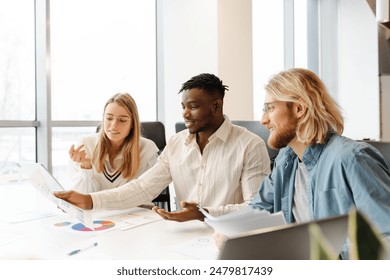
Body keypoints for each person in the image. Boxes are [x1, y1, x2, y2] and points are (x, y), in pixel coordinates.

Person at [55, 73, 271, 222]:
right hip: (184, 237)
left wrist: (204, 213)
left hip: (229, 238)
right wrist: (90, 200)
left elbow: (257, 208)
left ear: (216, 106)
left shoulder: (250, 146)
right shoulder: (177, 143)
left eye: (193, 107)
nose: (185, 113)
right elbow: (142, 188)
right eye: (183, 107)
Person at [248, 68, 390, 258]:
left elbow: (384, 240)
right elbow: (258, 210)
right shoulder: (285, 160)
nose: (263, 120)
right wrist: (231, 232)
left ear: (299, 108)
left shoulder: (352, 159)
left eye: (270, 108)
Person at [68, 92, 159, 194]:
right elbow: (82, 197)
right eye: (109, 118)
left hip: (133, 209)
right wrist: (86, 168)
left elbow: (144, 194)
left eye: (122, 120)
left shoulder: (148, 149)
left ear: (133, 123)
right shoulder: (85, 145)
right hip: (97, 210)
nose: (114, 125)